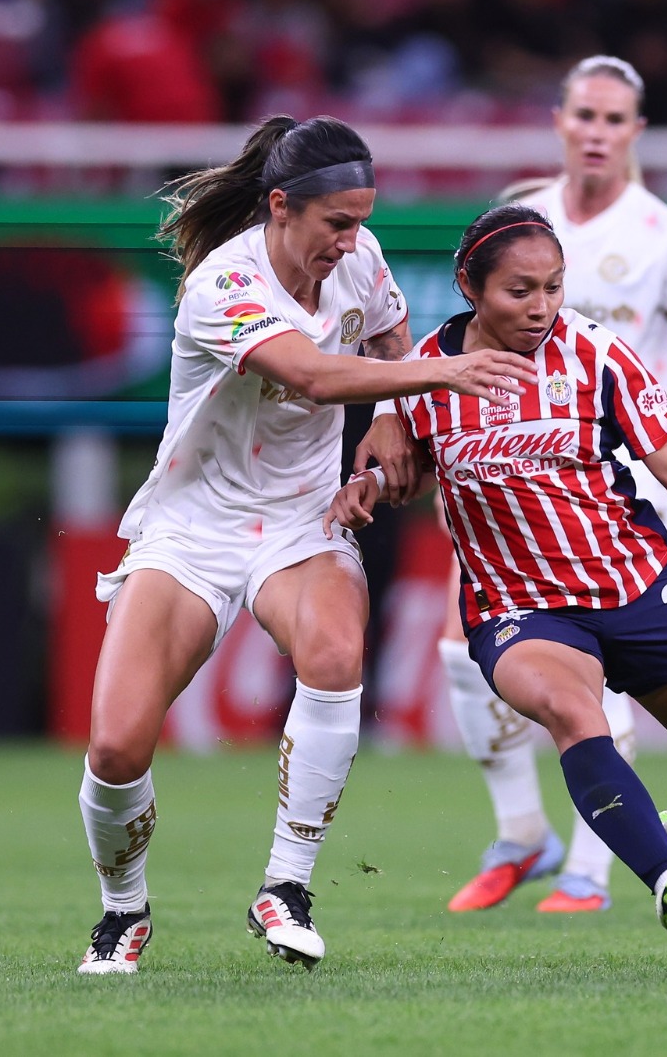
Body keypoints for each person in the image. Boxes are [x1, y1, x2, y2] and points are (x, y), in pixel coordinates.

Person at [74, 115, 537, 975]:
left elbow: (389, 329)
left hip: (301, 520)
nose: (351, 241)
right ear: (281, 206)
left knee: (333, 651)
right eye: (337, 223)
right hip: (193, 528)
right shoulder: (224, 283)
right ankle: (123, 910)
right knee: (115, 749)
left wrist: (393, 418)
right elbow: (316, 376)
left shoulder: (356, 256)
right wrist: (443, 372)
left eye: (361, 222)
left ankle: (285, 888)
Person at [325, 206, 667, 961]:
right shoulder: (425, 375)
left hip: (634, 586)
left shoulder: (598, 355)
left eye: (554, 287)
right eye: (520, 291)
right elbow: (403, 478)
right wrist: (365, 490)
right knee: (574, 711)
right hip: (517, 606)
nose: (540, 307)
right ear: (470, 286)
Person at [444, 55, 667, 915]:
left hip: (630, 482)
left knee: (600, 671)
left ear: (636, 132)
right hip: (508, 476)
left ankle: (591, 868)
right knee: (458, 647)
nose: (597, 132)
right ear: (560, 121)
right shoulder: (521, 214)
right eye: (585, 115)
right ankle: (524, 832)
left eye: (615, 120)